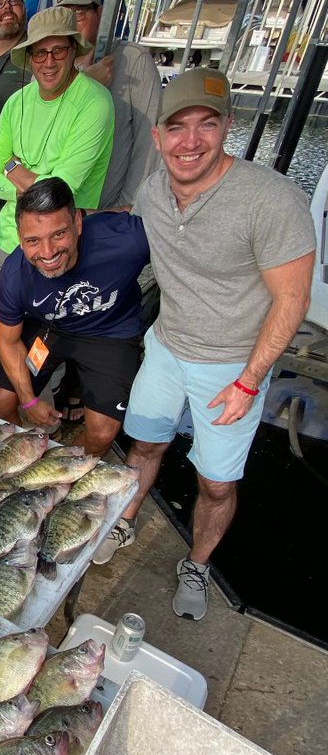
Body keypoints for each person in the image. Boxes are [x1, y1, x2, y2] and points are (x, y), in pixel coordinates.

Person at [92, 68, 316, 622]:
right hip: (166, 347)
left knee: (216, 482)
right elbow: (129, 239)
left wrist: (249, 380)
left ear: (227, 128)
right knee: (142, 446)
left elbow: (293, 301)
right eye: (177, 126)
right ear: (158, 135)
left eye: (206, 125)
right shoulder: (150, 190)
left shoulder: (272, 199)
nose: (190, 141)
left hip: (233, 366)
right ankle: (125, 519)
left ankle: (197, 562)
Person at [0, 178, 150, 455]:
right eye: (33, 241)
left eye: (59, 234)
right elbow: (8, 341)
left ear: (78, 222)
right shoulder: (14, 275)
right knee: (0, 401)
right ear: (19, 236)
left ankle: (61, 471)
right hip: (52, 329)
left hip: (111, 333)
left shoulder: (127, 239)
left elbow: (182, 237)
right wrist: (28, 400)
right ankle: (21, 462)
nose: (48, 253)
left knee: (102, 432)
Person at [0, 5, 114, 300]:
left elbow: (60, 191)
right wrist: (30, 185)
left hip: (54, 243)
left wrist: (12, 168)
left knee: (33, 340)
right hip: (3, 236)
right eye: (39, 53)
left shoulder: (95, 103)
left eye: (58, 50)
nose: (48, 62)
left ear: (73, 50)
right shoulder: (16, 102)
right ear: (30, 57)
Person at [53, 0, 162, 208]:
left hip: (110, 212)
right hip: (58, 214)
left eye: (80, 13)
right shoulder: (47, 70)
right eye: (64, 16)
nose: (72, 23)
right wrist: (86, 85)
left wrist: (128, 209)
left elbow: (149, 145)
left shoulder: (135, 61)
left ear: (100, 13)